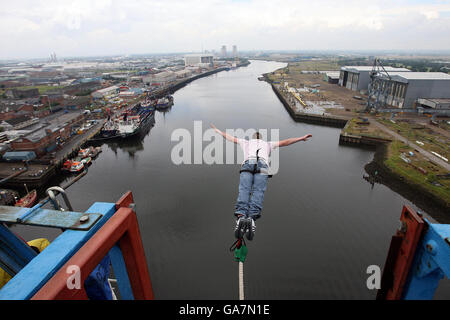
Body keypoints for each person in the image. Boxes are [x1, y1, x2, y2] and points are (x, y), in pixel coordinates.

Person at [211, 124, 312, 240]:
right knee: (258, 191)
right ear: (261, 139)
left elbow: (228, 137)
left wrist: (218, 131)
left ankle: (241, 215)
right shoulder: (268, 144)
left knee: (244, 189)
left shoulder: (245, 142)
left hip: (247, 164)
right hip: (263, 165)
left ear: (253, 138)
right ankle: (252, 218)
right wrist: (300, 138)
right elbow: (286, 142)